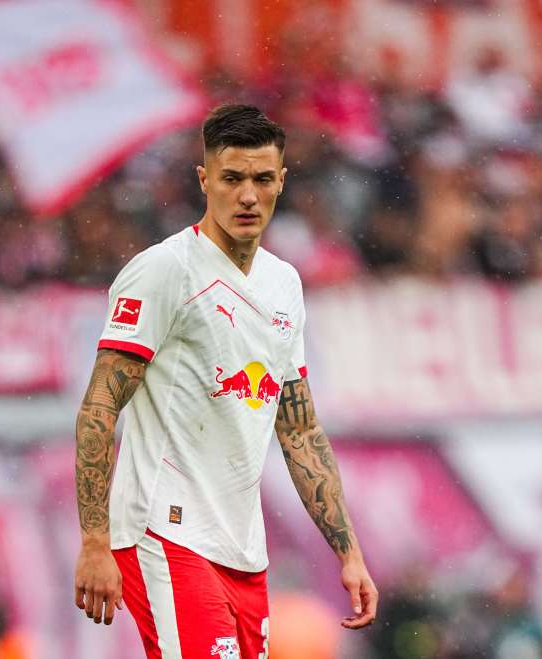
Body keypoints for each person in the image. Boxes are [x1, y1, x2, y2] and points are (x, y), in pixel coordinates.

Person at [73, 104, 378, 658]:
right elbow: (99, 409)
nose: (247, 196)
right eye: (232, 178)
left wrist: (349, 552)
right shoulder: (165, 270)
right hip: (164, 532)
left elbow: (301, 430)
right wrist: (95, 540)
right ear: (204, 179)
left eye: (262, 179)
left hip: (241, 546)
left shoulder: (285, 284)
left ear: (281, 182)